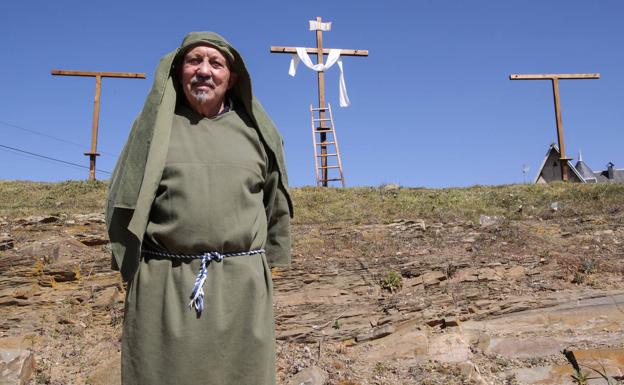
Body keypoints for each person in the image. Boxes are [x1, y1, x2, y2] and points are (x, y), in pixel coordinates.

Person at [105, 31, 292, 385]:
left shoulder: (256, 134)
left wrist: (270, 258)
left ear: (231, 77)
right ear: (179, 72)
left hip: (242, 289)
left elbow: (273, 202)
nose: (204, 71)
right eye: (194, 61)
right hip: (164, 284)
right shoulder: (154, 130)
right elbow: (122, 195)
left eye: (215, 63)